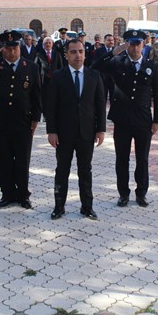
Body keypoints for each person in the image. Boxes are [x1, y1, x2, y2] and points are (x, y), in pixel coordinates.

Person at [92, 30, 158, 208]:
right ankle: (123, 193)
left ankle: (141, 193)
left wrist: (157, 120)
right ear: (126, 45)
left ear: (144, 44)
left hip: (143, 120)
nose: (135, 47)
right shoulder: (118, 62)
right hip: (122, 120)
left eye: (138, 43)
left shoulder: (151, 66)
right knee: (122, 159)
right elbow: (95, 66)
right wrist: (116, 50)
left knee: (142, 159)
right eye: (131, 43)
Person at [0, 30, 42, 209]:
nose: (11, 52)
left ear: (19, 47)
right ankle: (7, 194)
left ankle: (22, 194)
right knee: (3, 158)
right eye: (7, 48)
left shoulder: (31, 66)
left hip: (23, 120)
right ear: (2, 49)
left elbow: (36, 95)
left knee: (23, 158)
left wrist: (36, 118)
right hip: (0, 120)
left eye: (14, 48)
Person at [45, 39, 106, 220]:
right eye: (73, 52)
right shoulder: (57, 76)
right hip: (63, 134)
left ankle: (87, 207)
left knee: (85, 171)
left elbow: (100, 104)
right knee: (62, 170)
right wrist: (52, 131)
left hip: (87, 133)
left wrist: (100, 129)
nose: (77, 55)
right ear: (66, 55)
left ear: (85, 54)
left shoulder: (94, 76)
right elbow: (51, 106)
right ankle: (59, 206)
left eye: (80, 51)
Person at [34, 36, 63, 113]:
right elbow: (36, 68)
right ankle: (45, 113)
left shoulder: (57, 54)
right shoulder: (39, 54)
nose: (48, 44)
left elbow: (61, 67)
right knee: (44, 97)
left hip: (54, 79)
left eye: (49, 43)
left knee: (54, 96)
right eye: (46, 43)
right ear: (43, 45)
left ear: (52, 44)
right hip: (44, 79)